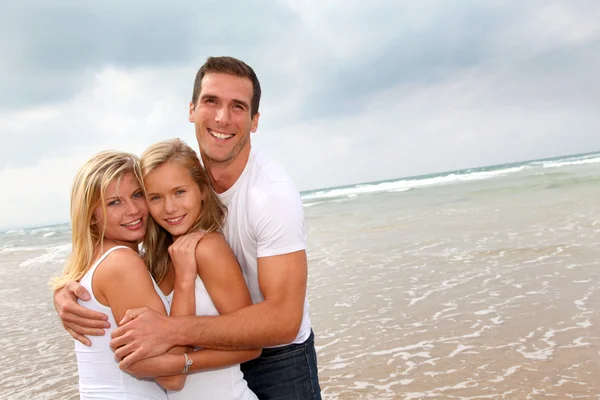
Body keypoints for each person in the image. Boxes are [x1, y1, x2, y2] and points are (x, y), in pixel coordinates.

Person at [54, 56, 322, 399]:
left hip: (279, 356)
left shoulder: (270, 196)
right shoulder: (177, 193)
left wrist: (170, 337)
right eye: (212, 101)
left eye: (237, 106)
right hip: (215, 358)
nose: (223, 117)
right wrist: (70, 288)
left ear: (254, 121)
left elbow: (284, 321)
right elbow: (114, 218)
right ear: (192, 109)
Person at [51, 150, 190, 399]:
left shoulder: (92, 262)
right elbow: (172, 376)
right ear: (91, 214)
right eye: (114, 202)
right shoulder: (122, 264)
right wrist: (185, 282)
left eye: (138, 195)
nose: (134, 210)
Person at [132, 138, 259, 399]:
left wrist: (182, 364)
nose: (169, 208)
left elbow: (252, 345)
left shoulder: (207, 249)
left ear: (201, 189)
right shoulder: (155, 257)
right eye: (155, 197)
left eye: (179, 192)